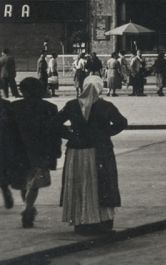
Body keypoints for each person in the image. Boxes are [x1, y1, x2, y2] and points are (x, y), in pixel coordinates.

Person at [59, 77, 127, 234]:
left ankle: (81, 220)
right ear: (100, 89)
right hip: (99, 150)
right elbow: (122, 122)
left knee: (79, 184)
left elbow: (54, 123)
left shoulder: (72, 105)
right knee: (101, 184)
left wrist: (70, 135)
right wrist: (105, 134)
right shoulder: (105, 106)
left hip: (76, 152)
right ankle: (102, 220)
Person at [2, 77, 62, 228]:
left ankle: (28, 206)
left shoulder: (13, 107)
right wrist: (56, 151)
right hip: (41, 152)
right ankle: (28, 208)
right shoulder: (50, 107)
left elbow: (7, 132)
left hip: (19, 152)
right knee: (34, 183)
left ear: (22, 91)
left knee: (24, 182)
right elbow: (55, 133)